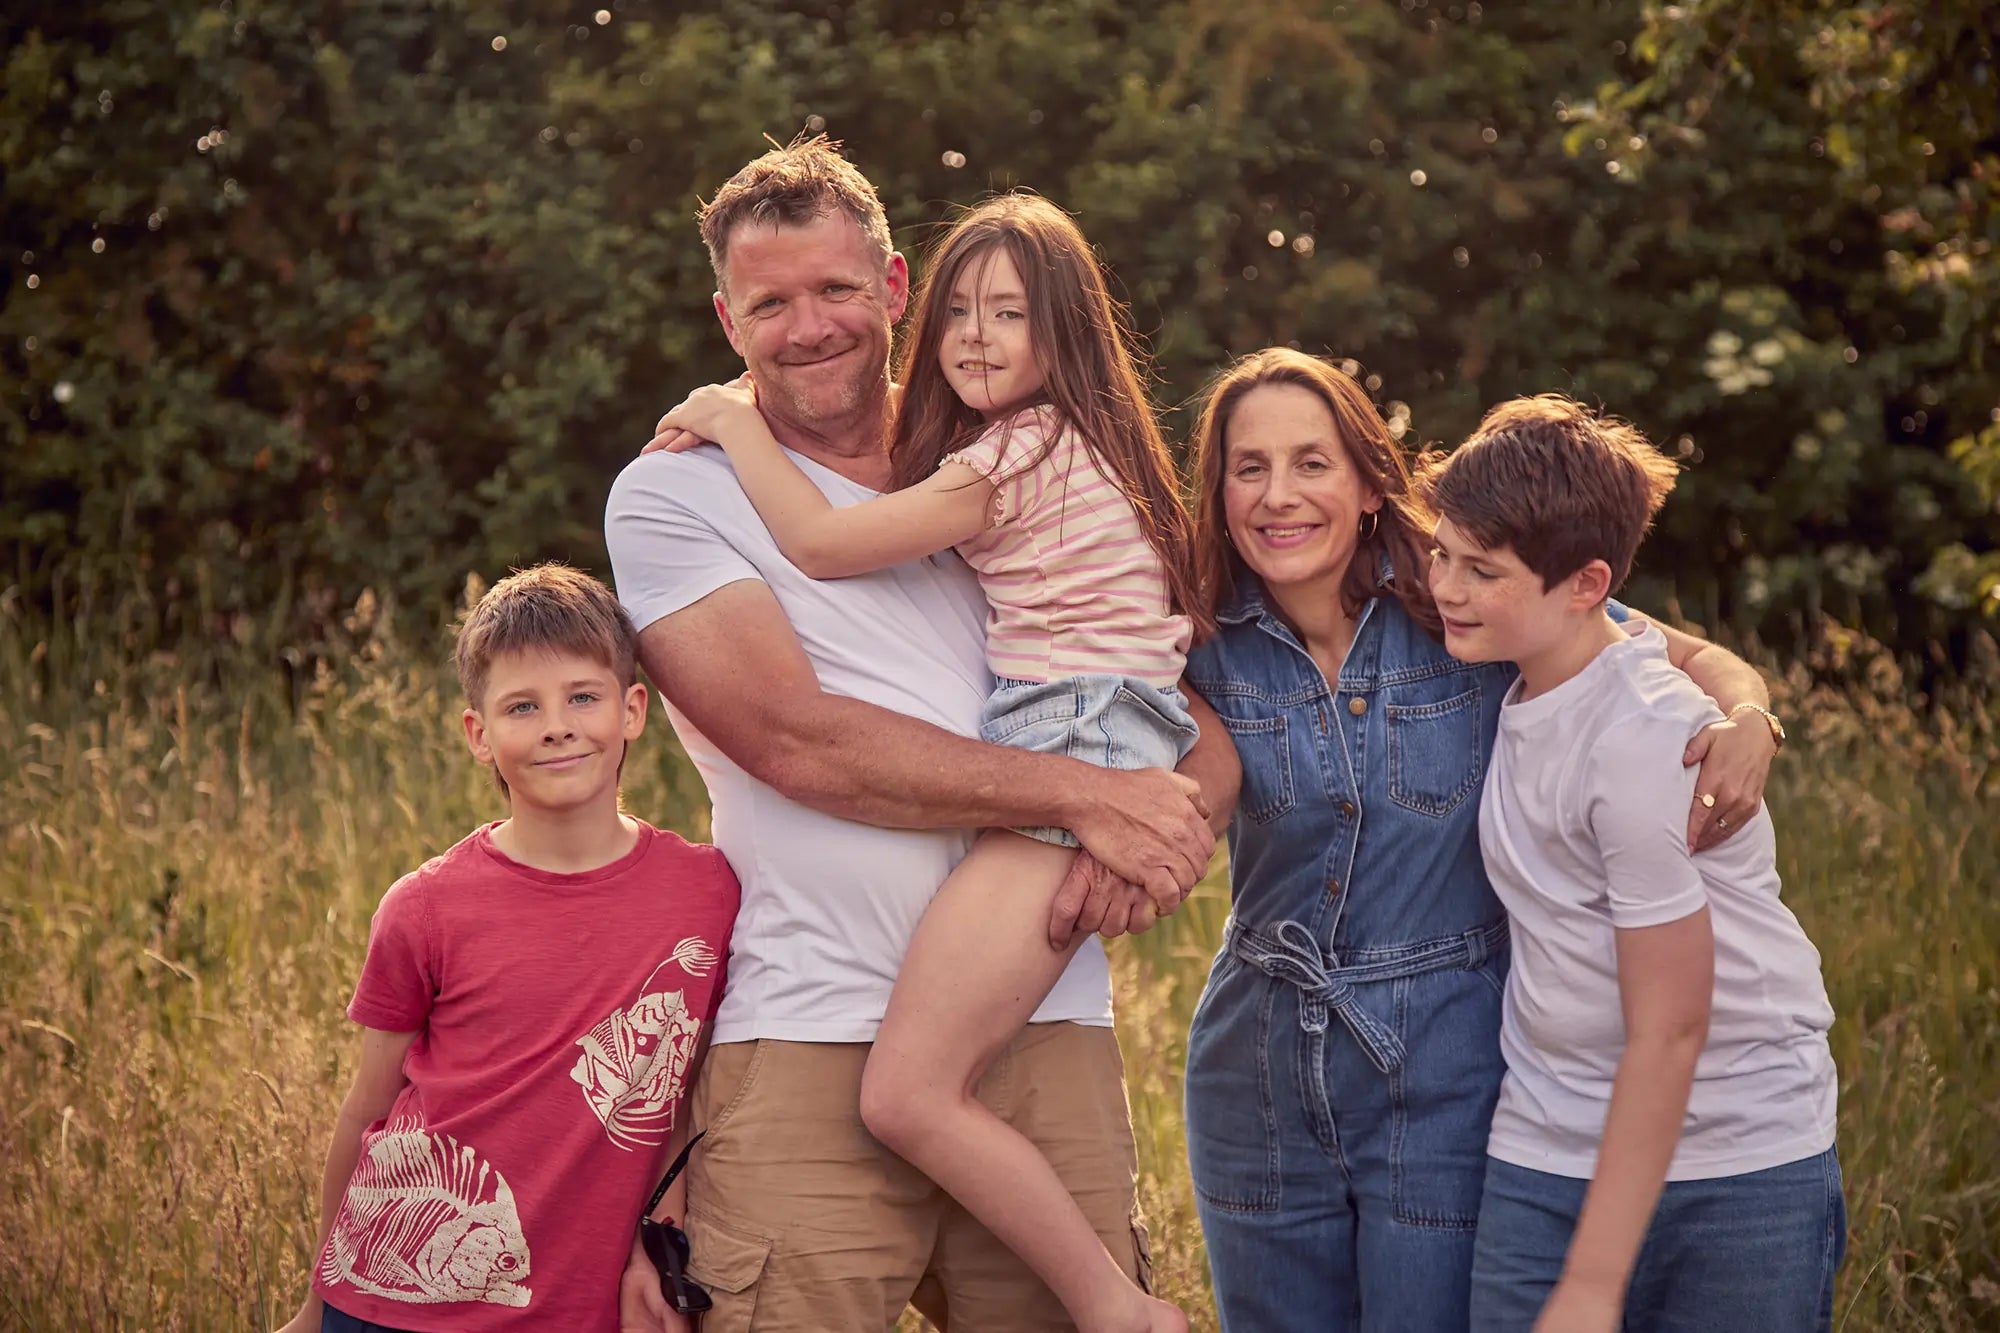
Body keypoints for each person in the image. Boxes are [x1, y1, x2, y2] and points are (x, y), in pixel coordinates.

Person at [605, 139, 1236, 1333]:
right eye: (769, 303)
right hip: (811, 1032)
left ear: (895, 289)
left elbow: (1180, 710)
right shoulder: (675, 490)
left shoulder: (990, 458)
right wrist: (1092, 797)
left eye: (836, 290)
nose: (808, 327)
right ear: (725, 319)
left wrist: (1163, 829)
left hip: (1041, 1018)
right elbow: (800, 743)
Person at [1176, 349, 1784, 1332]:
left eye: (1310, 463)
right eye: (1248, 467)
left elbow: (1673, 650)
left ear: (1372, 483)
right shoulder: (1196, 633)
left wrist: (1750, 712)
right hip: (1254, 1068)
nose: (1275, 496)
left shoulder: (1461, 604)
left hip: (1442, 1067)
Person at [1426, 395, 1841, 1332]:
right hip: (1546, 1142)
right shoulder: (1535, 653)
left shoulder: (1645, 737)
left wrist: (1592, 1283)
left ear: (1586, 584)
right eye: (1441, 552)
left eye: (1479, 570)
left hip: (1735, 1158)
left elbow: (1671, 1027)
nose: (1445, 587)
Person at [274, 564, 740, 1333]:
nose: (557, 724)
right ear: (478, 734)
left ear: (632, 710)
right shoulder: (425, 906)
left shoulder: (708, 894)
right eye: (523, 706)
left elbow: (692, 1095)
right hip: (396, 1306)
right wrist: (314, 1301)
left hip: (577, 1303)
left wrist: (659, 1245)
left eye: (582, 697)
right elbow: (368, 1110)